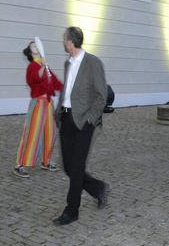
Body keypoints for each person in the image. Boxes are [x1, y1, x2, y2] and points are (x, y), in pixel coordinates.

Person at [53, 27, 109, 226]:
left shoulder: (93, 62)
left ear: (70, 41)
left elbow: (101, 95)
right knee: (68, 166)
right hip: (66, 118)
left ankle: (72, 210)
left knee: (76, 167)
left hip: (83, 122)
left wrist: (90, 120)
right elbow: (67, 91)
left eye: (64, 38)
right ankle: (97, 188)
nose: (63, 41)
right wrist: (58, 111)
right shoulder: (68, 63)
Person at [13, 41, 63, 178]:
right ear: (31, 52)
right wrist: (43, 67)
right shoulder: (32, 66)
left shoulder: (44, 66)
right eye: (33, 46)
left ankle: (46, 162)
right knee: (32, 133)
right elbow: (34, 79)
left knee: (50, 132)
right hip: (38, 104)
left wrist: (66, 89)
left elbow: (54, 82)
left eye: (37, 45)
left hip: (48, 103)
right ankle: (19, 165)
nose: (36, 46)